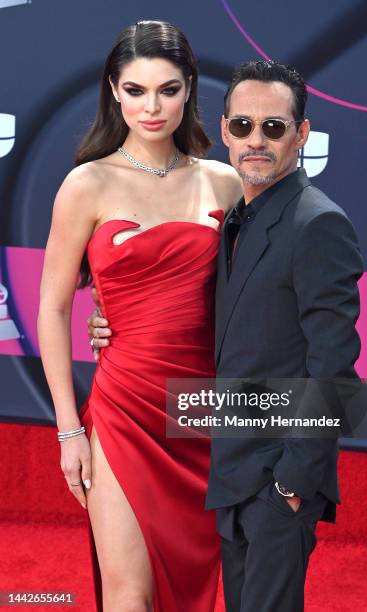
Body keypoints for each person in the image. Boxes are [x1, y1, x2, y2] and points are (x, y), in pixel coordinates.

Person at [91, 59, 364, 611]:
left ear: (302, 134)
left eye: (274, 127)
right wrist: (117, 320)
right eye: (242, 126)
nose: (255, 140)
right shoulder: (238, 218)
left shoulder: (318, 224)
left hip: (276, 482)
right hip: (230, 470)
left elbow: (335, 371)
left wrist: (292, 485)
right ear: (224, 130)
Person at [37, 20, 242, 612]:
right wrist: (69, 429)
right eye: (135, 90)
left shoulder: (224, 183)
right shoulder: (87, 184)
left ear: (190, 90)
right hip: (123, 406)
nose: (152, 107)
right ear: (113, 90)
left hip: (201, 408)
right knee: (129, 592)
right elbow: (51, 309)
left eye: (168, 90)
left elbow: (250, 296)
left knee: (193, 583)